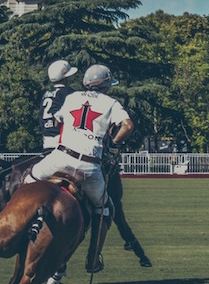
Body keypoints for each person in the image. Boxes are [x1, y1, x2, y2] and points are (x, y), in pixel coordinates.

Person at [25, 64, 134, 273]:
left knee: (28, 179)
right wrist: (113, 146)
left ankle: (21, 221)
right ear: (105, 86)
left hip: (60, 157)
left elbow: (57, 123)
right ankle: (93, 260)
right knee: (105, 209)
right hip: (88, 167)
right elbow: (127, 126)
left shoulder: (72, 97)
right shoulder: (111, 103)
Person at [39, 59, 78, 153]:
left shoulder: (46, 93)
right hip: (62, 138)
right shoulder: (68, 93)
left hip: (47, 139)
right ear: (66, 78)